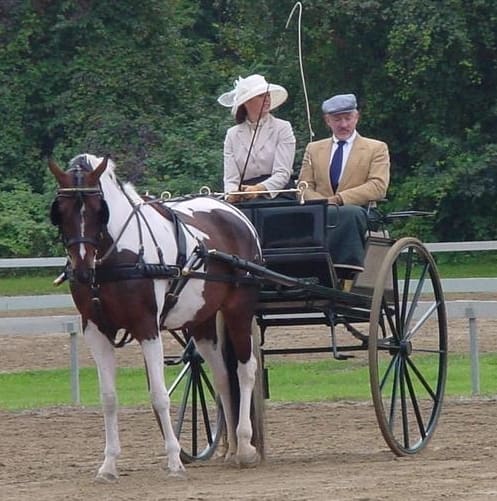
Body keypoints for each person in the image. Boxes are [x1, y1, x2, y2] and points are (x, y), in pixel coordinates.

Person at [298, 93, 390, 275]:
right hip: (320, 210)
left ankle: (346, 270)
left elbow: (378, 186)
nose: (343, 125)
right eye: (337, 119)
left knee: (348, 213)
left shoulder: (376, 148)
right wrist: (321, 203)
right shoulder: (314, 149)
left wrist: (339, 199)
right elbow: (303, 185)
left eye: (348, 118)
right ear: (327, 121)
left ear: (356, 118)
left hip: (359, 210)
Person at [217, 74, 296, 202]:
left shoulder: (283, 128)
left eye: (268, 95)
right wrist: (232, 195)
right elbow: (231, 178)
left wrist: (259, 189)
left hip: (277, 193)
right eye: (261, 96)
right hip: (244, 195)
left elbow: (282, 173)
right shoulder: (232, 135)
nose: (267, 99)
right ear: (247, 101)